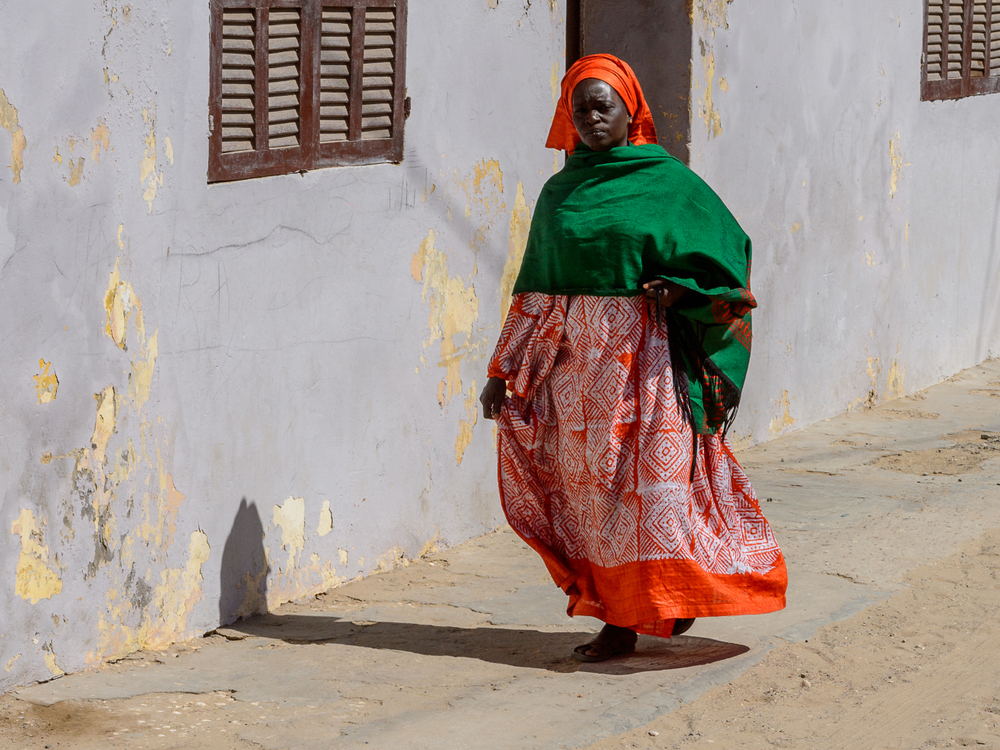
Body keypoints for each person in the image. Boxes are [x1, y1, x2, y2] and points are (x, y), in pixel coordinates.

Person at [480, 54, 787, 662]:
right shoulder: (559, 193)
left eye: (604, 107)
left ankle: (683, 590)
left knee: (659, 492)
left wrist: (681, 293)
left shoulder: (667, 183)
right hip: (574, 375)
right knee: (596, 502)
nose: (593, 119)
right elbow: (537, 292)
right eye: (581, 109)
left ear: (631, 112)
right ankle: (617, 622)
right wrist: (503, 372)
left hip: (647, 369)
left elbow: (727, 261)